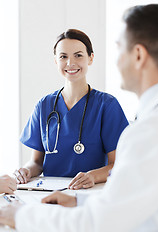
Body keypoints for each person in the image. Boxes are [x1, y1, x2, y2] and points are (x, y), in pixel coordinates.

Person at [1, 3, 158, 232]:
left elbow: (97, 224)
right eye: (63, 56)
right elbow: (130, 197)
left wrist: (18, 216)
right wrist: (78, 200)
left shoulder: (151, 130)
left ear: (138, 55)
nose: (71, 62)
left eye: (118, 48)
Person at [13, 29, 128, 189]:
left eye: (78, 55)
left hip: (91, 192)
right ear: (56, 61)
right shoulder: (44, 105)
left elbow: (117, 164)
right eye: (63, 56)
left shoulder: (107, 105)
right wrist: (25, 170)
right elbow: (37, 162)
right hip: (49, 193)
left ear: (91, 58)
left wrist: (92, 176)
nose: (70, 63)